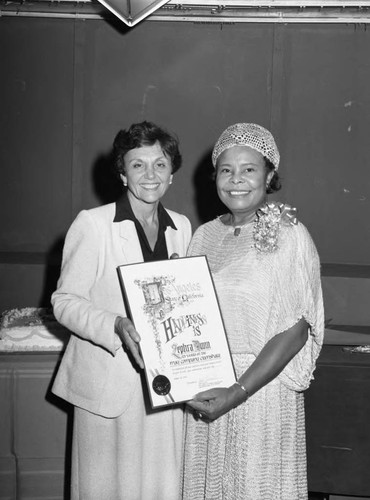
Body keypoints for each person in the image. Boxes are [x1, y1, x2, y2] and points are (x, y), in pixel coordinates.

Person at [182, 123, 324, 499]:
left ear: (269, 175)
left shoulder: (290, 234)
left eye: (249, 169)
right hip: (208, 389)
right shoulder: (203, 236)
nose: (236, 180)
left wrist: (238, 390)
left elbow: (296, 331)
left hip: (260, 395)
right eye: (226, 170)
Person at [51, 121, 192, 500]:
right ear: (122, 173)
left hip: (165, 386)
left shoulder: (181, 227)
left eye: (160, 165)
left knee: (161, 488)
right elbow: (64, 301)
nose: (150, 175)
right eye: (137, 165)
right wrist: (115, 325)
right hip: (107, 385)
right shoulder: (93, 224)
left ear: (172, 173)